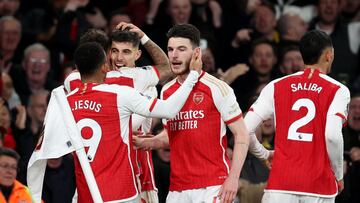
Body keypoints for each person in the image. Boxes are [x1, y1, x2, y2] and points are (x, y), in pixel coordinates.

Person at [67, 41, 201, 203]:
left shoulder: (65, 98)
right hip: (120, 192)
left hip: (85, 193)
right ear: (105, 66)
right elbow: (169, 109)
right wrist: (193, 75)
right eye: (114, 52)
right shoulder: (121, 93)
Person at [133, 24, 250, 203]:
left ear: (197, 53)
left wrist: (233, 179)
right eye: (170, 49)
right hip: (178, 189)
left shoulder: (217, 87)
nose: (174, 55)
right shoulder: (167, 91)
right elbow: (172, 134)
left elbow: (241, 134)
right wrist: (149, 142)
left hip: (213, 186)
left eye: (181, 49)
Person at [64, 22, 172, 202]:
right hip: (101, 166)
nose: (119, 58)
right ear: (106, 54)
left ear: (137, 54)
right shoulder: (133, 80)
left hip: (136, 165)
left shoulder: (75, 80)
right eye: (114, 51)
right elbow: (166, 68)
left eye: (126, 52)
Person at [244, 30, 350, 203]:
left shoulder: (276, 86)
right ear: (329, 55)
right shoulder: (338, 90)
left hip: (279, 186)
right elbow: (332, 135)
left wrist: (264, 154)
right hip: (318, 187)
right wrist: (338, 174)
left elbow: (245, 128)